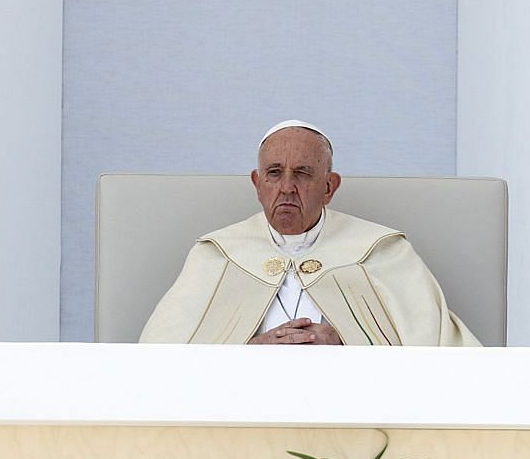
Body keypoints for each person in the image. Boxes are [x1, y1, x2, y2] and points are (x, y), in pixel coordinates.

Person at [140, 120, 479, 346]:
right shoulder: (217, 253)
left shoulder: (382, 251)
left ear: (329, 187)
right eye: (274, 173)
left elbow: (441, 358)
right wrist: (248, 351)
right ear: (257, 185)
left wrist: (348, 343)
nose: (287, 188)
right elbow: (158, 363)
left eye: (302, 173)